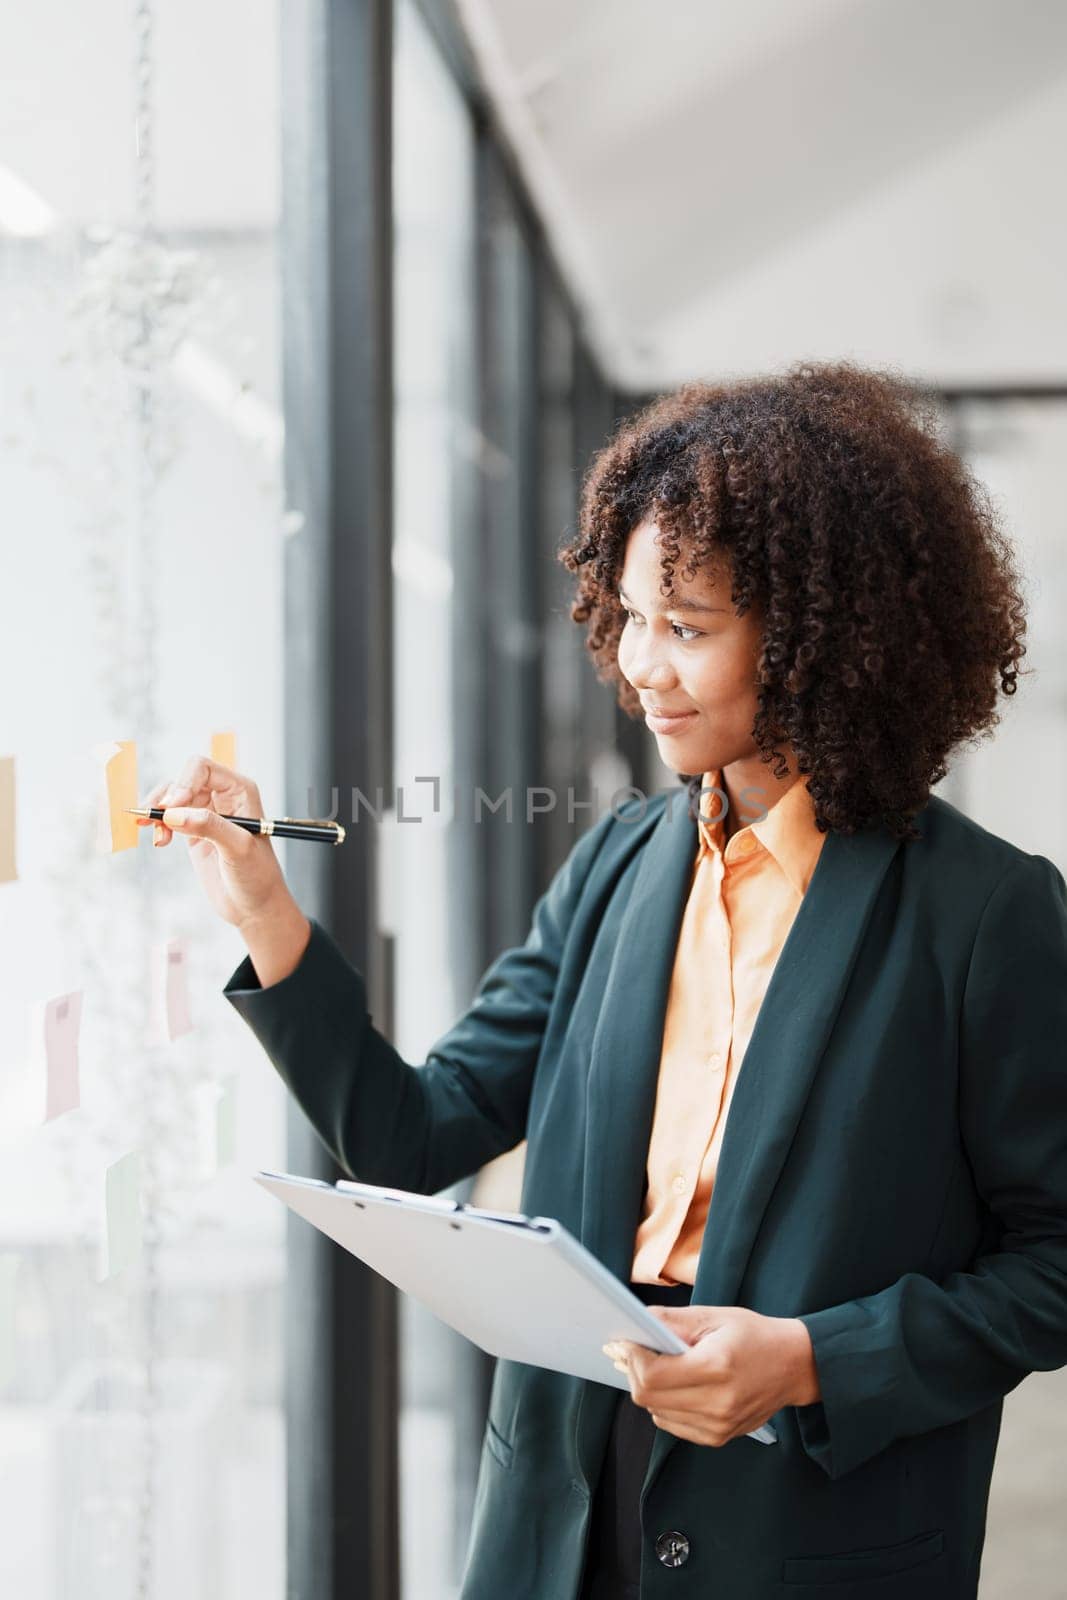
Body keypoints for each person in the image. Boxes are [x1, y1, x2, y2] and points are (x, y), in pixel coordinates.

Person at [139, 359, 1067, 1599]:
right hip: (559, 1513)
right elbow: (411, 1134)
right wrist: (261, 903)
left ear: (815, 641)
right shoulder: (616, 868)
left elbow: (1051, 1262)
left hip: (807, 1521)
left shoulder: (982, 910)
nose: (641, 665)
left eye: (686, 628)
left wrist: (809, 1359)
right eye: (628, 616)